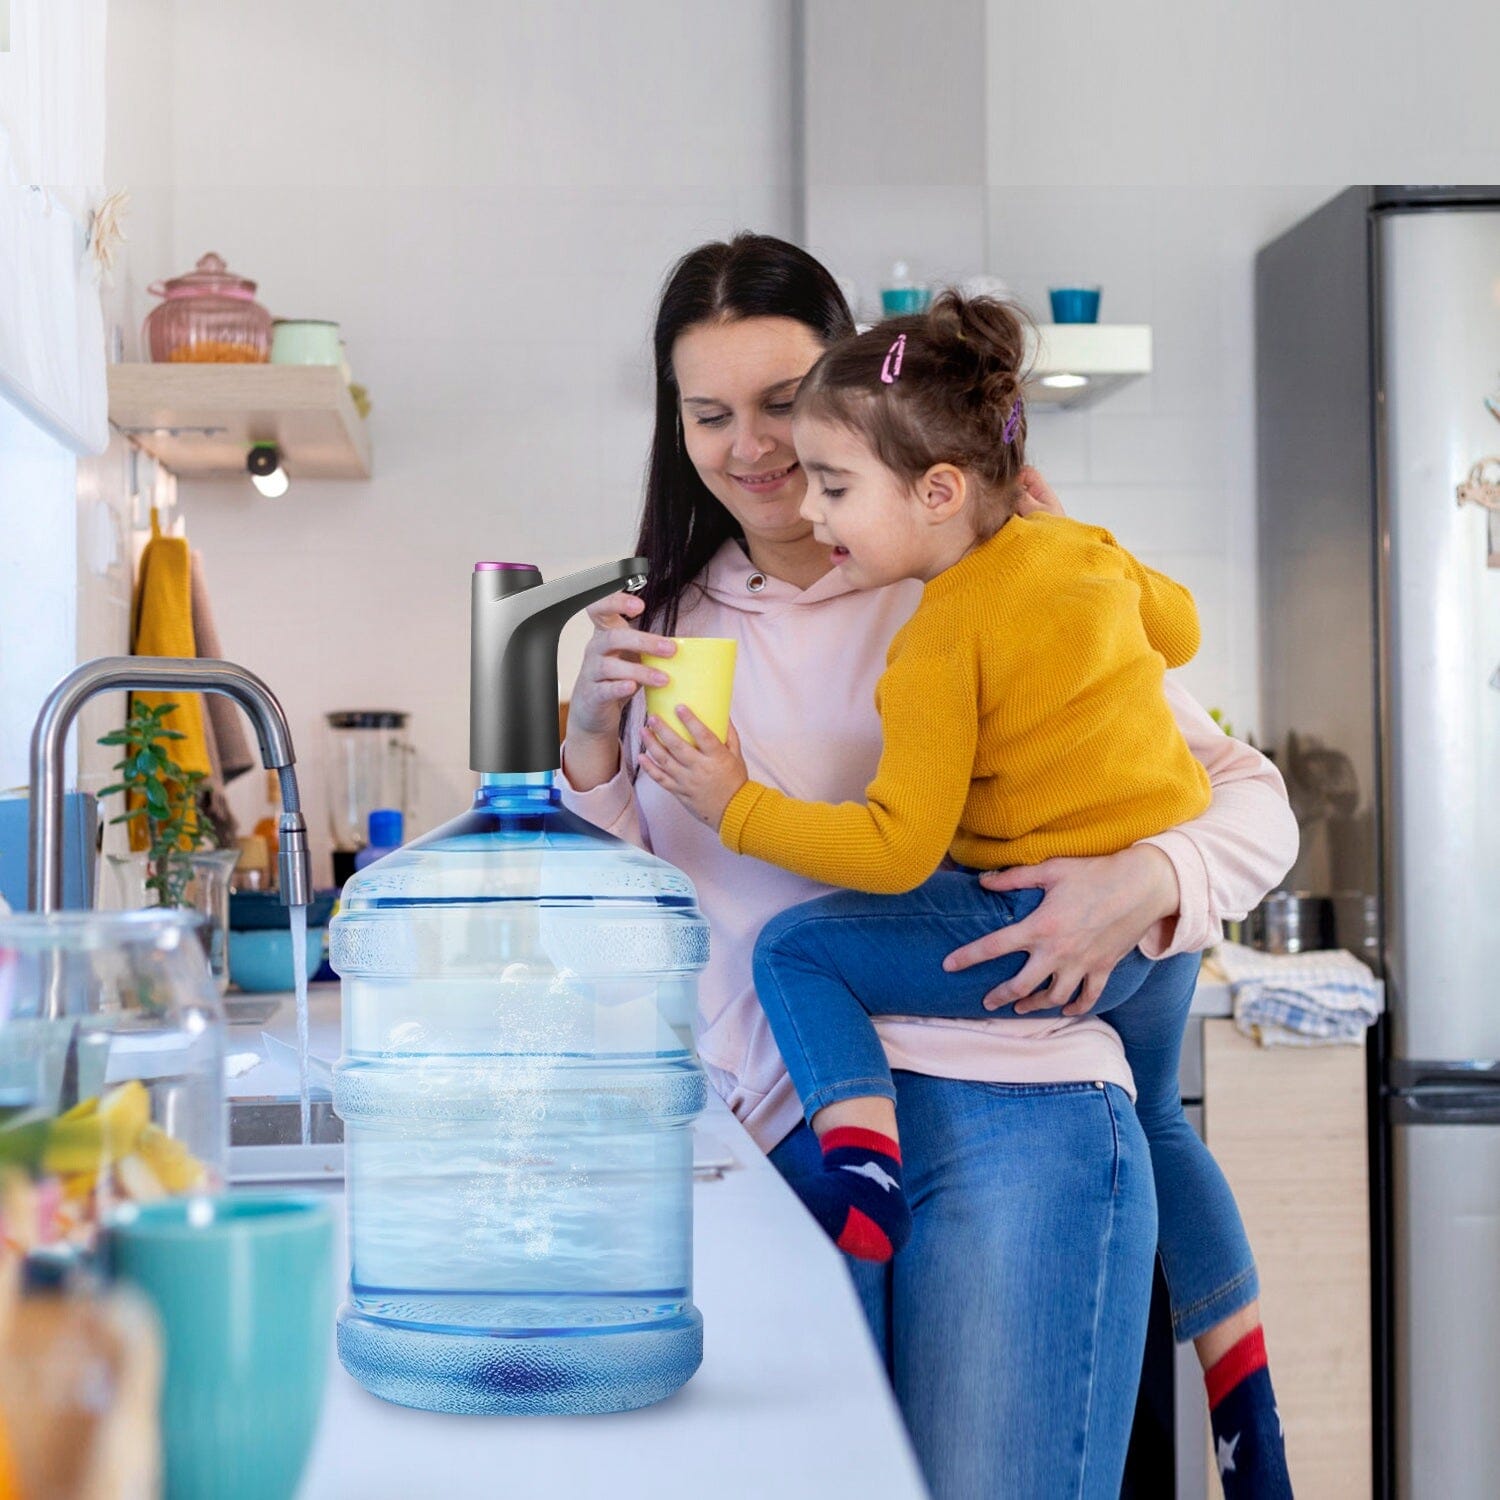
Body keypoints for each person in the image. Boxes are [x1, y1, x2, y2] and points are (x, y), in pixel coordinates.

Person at [560, 233, 1297, 1500]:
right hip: (783, 1138)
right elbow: (628, 925)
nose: (753, 446)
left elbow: (1248, 798)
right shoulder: (656, 632)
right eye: (709, 413)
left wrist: (1146, 881)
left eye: (786, 403)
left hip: (1016, 1113)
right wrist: (587, 750)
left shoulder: (973, 578)